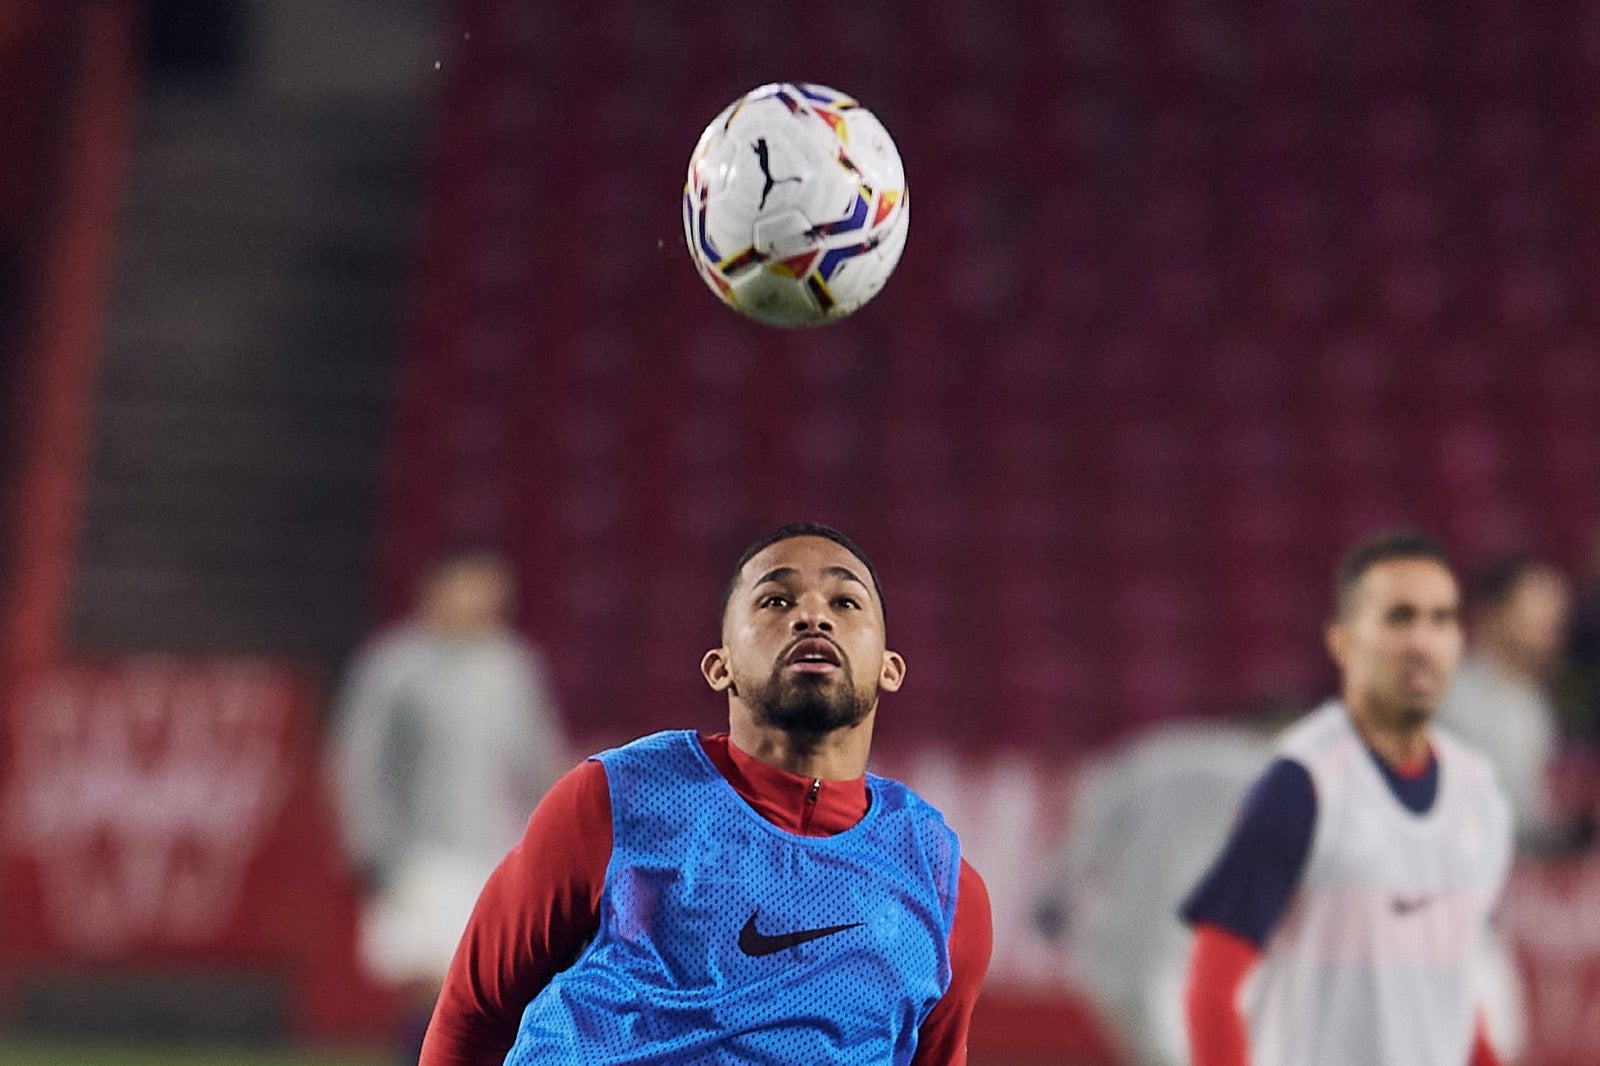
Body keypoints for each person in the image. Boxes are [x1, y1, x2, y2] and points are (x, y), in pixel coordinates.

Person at [421, 523, 994, 1065]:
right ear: (721, 667)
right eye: (776, 601)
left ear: (890, 668)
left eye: (845, 603)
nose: (812, 616)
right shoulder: (613, 801)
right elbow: (474, 1016)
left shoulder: (943, 886)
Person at [1180, 531, 1514, 1066]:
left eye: (1442, 619)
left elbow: (1448, 998)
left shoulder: (1481, 796)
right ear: (1342, 642)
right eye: (1399, 618)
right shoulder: (1303, 784)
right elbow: (1212, 992)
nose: (1423, 641)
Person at [329, 546, 567, 1053]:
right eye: (473, 588)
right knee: (433, 988)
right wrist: (369, 846)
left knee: (491, 992)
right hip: (419, 854)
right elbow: (361, 761)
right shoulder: (394, 666)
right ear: (436, 590)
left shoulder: (512, 666)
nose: (485, 602)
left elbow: (538, 761)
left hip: (496, 854)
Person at [1441, 554, 1573, 851]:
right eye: (1536, 612)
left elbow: (1528, 812)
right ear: (1493, 614)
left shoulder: (1532, 702)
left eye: (1556, 616)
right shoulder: (1447, 699)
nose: (1551, 626)